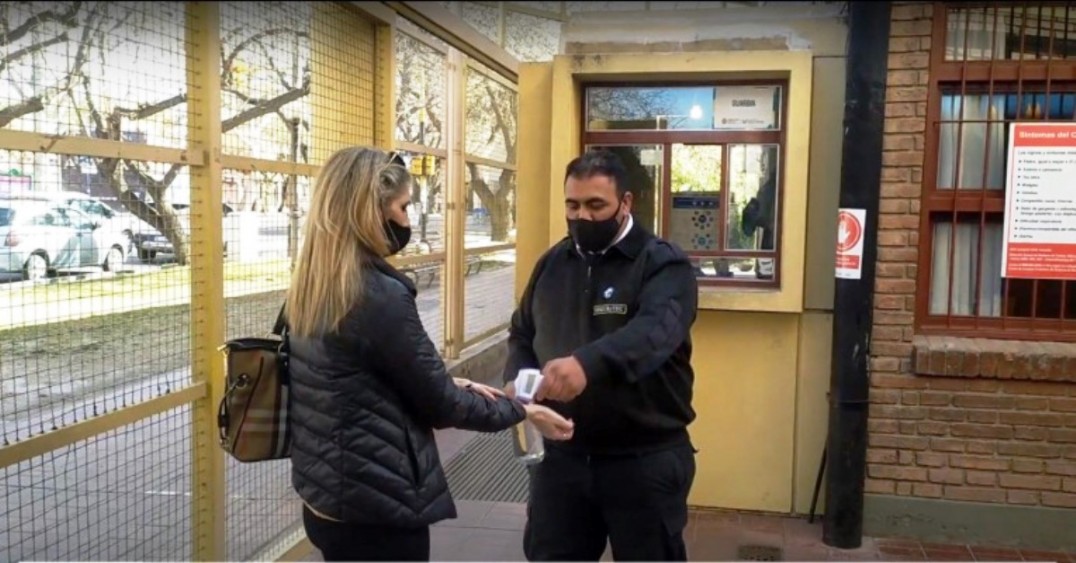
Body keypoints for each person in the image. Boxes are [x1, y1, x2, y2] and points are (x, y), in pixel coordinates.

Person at [285, 147, 575, 562]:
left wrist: (447, 380)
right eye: (402, 207)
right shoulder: (378, 295)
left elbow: (347, 378)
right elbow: (442, 405)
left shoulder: (313, 284)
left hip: (327, 497)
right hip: (378, 508)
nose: (406, 219)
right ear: (372, 212)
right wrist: (522, 411)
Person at [505, 149, 700, 561]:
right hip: (563, 459)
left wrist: (587, 365)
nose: (583, 217)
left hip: (644, 460)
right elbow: (522, 332)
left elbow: (655, 333)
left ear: (625, 203)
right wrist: (518, 382)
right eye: (572, 205)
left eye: (596, 205)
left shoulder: (663, 264)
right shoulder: (553, 263)